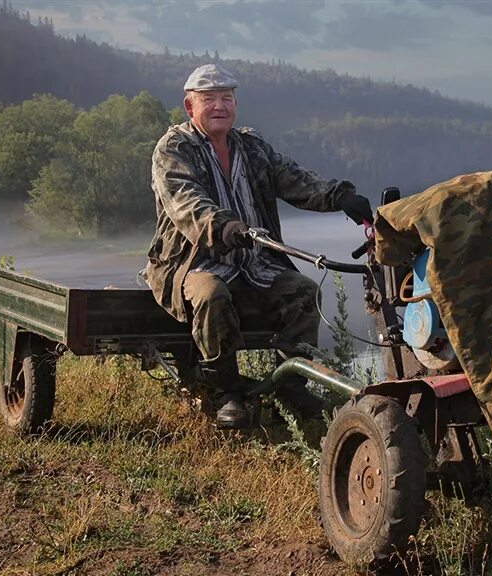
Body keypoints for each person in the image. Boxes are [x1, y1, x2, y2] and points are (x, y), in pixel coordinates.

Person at [143, 64, 373, 428]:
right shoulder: (173, 149)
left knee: (303, 291)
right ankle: (226, 393)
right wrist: (225, 226)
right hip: (193, 263)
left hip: (254, 261)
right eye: (209, 100)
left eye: (226, 98)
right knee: (211, 296)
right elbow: (185, 203)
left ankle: (290, 385)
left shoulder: (250, 146)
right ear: (190, 107)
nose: (219, 106)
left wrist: (340, 196)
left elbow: (294, 179)